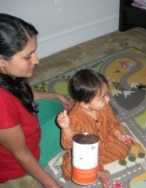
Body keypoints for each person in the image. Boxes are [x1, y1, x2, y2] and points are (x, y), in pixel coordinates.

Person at [0, 13, 109, 188]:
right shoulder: (1, 104)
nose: (37, 60)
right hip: (20, 163)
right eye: (28, 57)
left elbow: (22, 93)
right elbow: (21, 154)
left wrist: (55, 95)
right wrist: (53, 185)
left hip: (24, 126)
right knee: (79, 117)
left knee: (60, 105)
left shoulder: (7, 77)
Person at [56, 69, 132, 182]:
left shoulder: (104, 107)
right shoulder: (74, 118)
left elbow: (111, 124)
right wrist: (66, 127)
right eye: (102, 98)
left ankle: (92, 168)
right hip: (83, 154)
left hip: (104, 144)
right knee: (69, 170)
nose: (108, 99)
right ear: (85, 104)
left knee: (125, 146)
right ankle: (97, 172)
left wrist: (118, 134)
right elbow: (70, 145)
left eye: (106, 94)